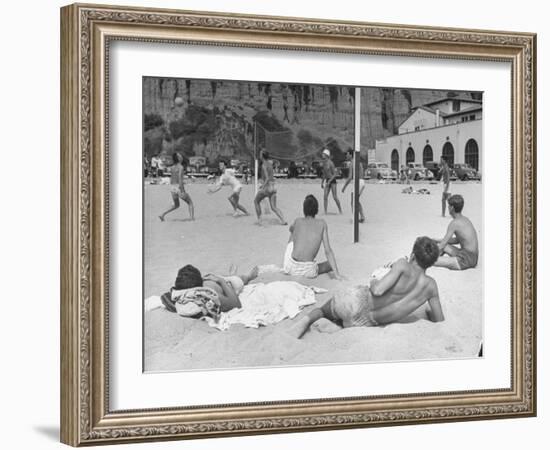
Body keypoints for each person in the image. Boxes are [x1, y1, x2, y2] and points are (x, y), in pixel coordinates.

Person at [288, 236, 445, 338]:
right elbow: (439, 320)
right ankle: (339, 325)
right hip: (367, 323)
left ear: (412, 255)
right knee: (343, 320)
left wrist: (374, 280)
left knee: (323, 310)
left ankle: (304, 324)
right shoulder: (431, 286)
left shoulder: (403, 265)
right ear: (431, 263)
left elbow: (377, 291)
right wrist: (429, 313)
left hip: (357, 301)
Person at [283, 195, 344, 280]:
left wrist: (293, 230)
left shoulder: (298, 221)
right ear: (317, 210)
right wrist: (337, 274)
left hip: (290, 267)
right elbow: (328, 250)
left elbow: (291, 229)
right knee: (329, 264)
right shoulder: (322, 223)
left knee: (293, 232)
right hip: (308, 270)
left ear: (304, 209)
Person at [161, 264, 259, 315]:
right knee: (228, 278)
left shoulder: (209, 292)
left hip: (229, 284)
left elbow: (236, 304)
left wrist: (221, 281)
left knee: (239, 279)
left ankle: (249, 276)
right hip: (217, 281)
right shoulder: (201, 291)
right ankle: (231, 275)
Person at [433, 194, 479, 270]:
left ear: (452, 208)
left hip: (465, 260)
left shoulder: (454, 223)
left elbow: (442, 245)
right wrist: (437, 240)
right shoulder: (465, 219)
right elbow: (457, 240)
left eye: (448, 206)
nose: (448, 208)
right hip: (473, 258)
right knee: (441, 246)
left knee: (427, 260)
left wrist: (429, 256)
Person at [254, 151, 287, 225]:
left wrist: (263, 186)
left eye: (260, 154)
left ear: (262, 156)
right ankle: (283, 220)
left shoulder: (264, 165)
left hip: (268, 186)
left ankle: (260, 220)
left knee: (256, 201)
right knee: (274, 207)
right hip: (274, 186)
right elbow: (276, 163)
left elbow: (267, 178)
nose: (259, 155)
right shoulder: (270, 162)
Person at [158, 153, 195, 221]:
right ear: (178, 158)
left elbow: (172, 179)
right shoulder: (181, 167)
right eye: (180, 156)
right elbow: (180, 179)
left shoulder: (172, 167)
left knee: (176, 205)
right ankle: (192, 219)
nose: (181, 157)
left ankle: (162, 214)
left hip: (172, 187)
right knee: (190, 203)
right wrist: (182, 189)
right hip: (178, 187)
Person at [341, 149, 366, 223]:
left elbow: (349, 177)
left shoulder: (352, 163)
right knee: (357, 201)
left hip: (358, 182)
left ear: (351, 155)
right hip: (362, 182)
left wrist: (344, 187)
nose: (346, 155)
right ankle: (362, 217)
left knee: (353, 202)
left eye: (347, 154)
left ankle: (355, 218)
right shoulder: (359, 161)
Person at [320, 148, 343, 214]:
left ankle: (340, 210)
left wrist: (330, 181)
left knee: (335, 197)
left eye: (323, 154)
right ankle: (325, 212)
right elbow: (324, 173)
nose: (322, 155)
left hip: (332, 181)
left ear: (326, 155)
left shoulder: (331, 163)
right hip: (327, 180)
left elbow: (335, 174)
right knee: (325, 196)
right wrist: (322, 182)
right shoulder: (324, 163)